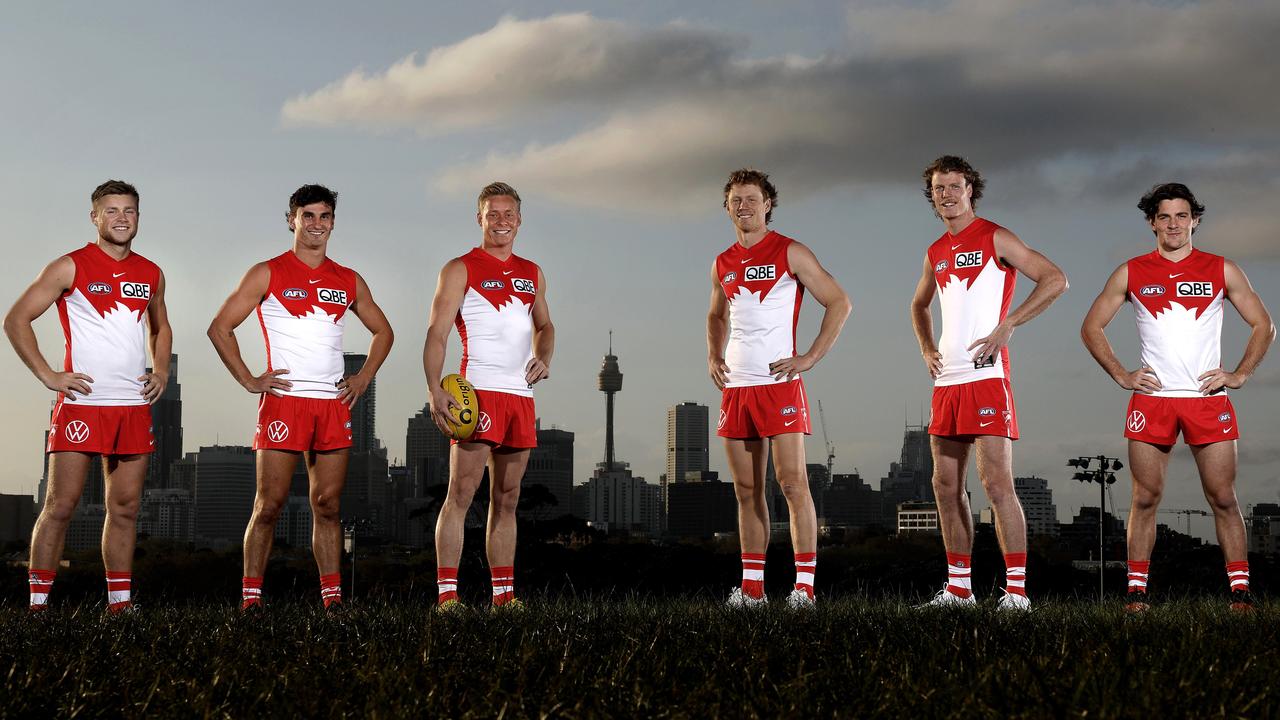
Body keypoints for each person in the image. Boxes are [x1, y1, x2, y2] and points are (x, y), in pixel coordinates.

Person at [1081, 183, 1274, 612]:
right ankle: (1136, 593)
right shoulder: (1131, 271)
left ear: (1195, 221)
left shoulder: (1222, 269)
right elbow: (1091, 327)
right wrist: (1121, 374)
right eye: (1164, 216)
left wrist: (1241, 374)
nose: (1173, 224)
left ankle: (1240, 594)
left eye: (1181, 215)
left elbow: (1264, 325)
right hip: (1154, 400)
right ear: (1152, 222)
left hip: (1208, 398)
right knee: (1144, 498)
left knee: (1223, 498)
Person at [208, 184, 393, 611]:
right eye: (307, 216)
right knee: (268, 505)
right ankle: (250, 600)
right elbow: (220, 327)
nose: (316, 224)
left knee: (327, 506)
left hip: (331, 405)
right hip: (284, 401)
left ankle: (332, 602)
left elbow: (384, 332)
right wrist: (250, 380)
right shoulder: (267, 272)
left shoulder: (347, 279)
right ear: (291, 219)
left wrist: (363, 377)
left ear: (333, 223)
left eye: (324, 216)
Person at [4, 180, 171, 613]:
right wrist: (48, 375)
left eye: (129, 210)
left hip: (132, 406)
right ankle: (37, 606)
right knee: (60, 505)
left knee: (126, 507)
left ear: (138, 217)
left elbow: (161, 326)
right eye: (111, 210)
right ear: (95, 216)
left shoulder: (151, 272)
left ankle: (120, 604)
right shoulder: (69, 266)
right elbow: (16, 319)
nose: (121, 217)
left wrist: (162, 369)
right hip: (84, 403)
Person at [909, 156, 1067, 610]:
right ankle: (959, 588)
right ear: (933, 196)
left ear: (970, 189)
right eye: (939, 189)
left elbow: (1056, 279)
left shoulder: (996, 236)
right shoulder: (935, 251)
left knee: (997, 484)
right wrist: (926, 347)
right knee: (944, 484)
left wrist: (1009, 324)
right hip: (948, 381)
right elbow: (919, 305)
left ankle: (1016, 592)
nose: (947, 195)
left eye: (955, 186)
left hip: (986, 376)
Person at [707, 168, 851, 608]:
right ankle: (752, 590)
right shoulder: (722, 261)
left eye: (752, 199)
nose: (744, 206)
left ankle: (803, 588)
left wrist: (808, 357)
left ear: (768, 204)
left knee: (792, 484)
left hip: (780, 384)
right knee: (746, 490)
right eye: (736, 200)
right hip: (737, 387)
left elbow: (839, 302)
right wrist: (714, 355)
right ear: (727, 206)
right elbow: (716, 315)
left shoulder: (791, 252)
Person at [424, 181, 554, 610]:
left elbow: (545, 326)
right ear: (479, 218)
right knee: (460, 495)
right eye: (492, 214)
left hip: (519, 397)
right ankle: (447, 598)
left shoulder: (532, 271)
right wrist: (434, 388)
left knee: (508, 498)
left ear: (520, 219)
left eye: (508, 214)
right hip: (475, 395)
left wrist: (543, 356)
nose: (501, 222)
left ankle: (504, 597)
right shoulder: (460, 268)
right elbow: (437, 333)